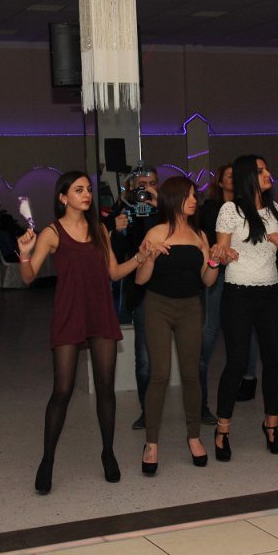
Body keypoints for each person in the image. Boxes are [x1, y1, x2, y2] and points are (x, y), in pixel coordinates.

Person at [18, 171, 150, 493]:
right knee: (62, 390)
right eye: (79, 190)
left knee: (106, 387)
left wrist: (141, 257)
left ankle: (108, 453)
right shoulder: (52, 232)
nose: (87, 194)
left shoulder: (100, 229)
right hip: (69, 313)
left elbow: (114, 272)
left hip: (100, 311)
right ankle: (48, 460)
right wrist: (24, 252)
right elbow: (28, 276)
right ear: (63, 197)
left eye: (88, 189)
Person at [210, 155, 278, 461]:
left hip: (270, 294)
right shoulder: (230, 210)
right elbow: (222, 251)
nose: (269, 174)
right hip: (238, 294)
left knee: (273, 360)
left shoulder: (275, 209)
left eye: (267, 169)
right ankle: (222, 429)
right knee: (237, 362)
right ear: (248, 176)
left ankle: (271, 426)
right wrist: (222, 254)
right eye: (262, 170)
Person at [135, 177, 219, 474]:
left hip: (190, 308)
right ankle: (151, 442)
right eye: (188, 196)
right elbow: (140, 279)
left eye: (195, 195)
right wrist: (150, 257)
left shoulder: (200, 235)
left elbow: (207, 280)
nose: (194, 200)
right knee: (159, 374)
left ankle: (194, 436)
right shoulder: (156, 232)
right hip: (158, 306)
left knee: (191, 373)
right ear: (173, 199)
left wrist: (214, 262)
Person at [106, 167, 160, 430]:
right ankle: (146, 411)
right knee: (145, 360)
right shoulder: (126, 211)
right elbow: (117, 255)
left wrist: (159, 206)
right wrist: (117, 230)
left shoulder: (168, 210)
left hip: (172, 289)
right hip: (141, 291)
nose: (146, 189)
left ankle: (200, 407)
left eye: (152, 184)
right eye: (141, 185)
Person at [197, 165, 233, 426]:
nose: (234, 180)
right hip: (218, 272)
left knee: (244, 330)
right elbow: (209, 243)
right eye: (229, 176)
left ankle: (247, 381)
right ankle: (199, 370)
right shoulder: (210, 208)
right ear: (220, 182)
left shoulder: (245, 206)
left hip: (242, 274)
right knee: (211, 328)